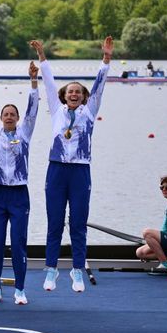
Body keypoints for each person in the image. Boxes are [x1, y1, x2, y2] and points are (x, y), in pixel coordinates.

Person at [32, 37, 112, 293]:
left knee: (78, 223)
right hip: (56, 170)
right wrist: (42, 55)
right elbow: (48, 81)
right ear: (64, 97)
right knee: (54, 222)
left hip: (79, 171)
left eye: (78, 92)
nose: (74, 94)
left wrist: (106, 59)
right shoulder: (56, 111)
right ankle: (51, 270)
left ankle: (77, 271)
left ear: (84, 97)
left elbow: (100, 85)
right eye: (70, 92)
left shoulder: (89, 111)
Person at [0, 55, 39, 305]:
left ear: (18, 118)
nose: (10, 117)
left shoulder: (25, 132)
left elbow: (33, 109)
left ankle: (21, 290)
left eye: (13, 114)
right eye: (6, 114)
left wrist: (33, 81)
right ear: (1, 118)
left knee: (19, 243)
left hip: (19, 195)